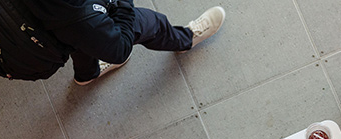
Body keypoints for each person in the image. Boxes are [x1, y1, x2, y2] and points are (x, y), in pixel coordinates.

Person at [22, 0, 225, 85]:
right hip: (79, 21)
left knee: (71, 37)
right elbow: (120, 49)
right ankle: (185, 39)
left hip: (30, 24)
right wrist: (123, 5)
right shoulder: (83, 18)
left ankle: (87, 74)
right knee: (151, 23)